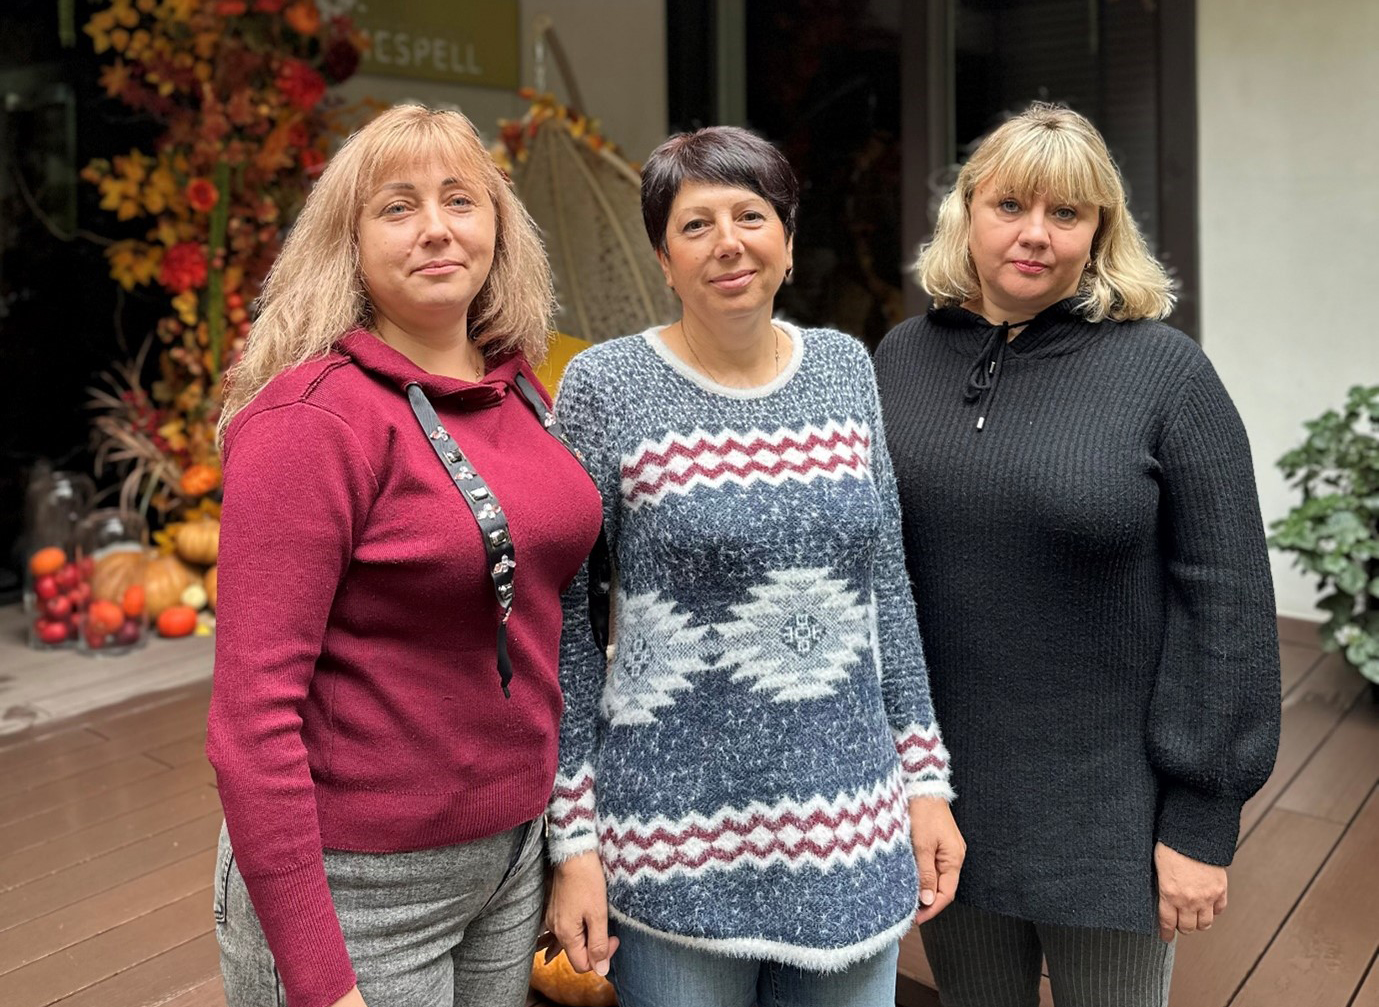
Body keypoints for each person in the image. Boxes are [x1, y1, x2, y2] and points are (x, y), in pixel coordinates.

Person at [543, 125, 964, 1007]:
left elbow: (886, 586)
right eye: (694, 225)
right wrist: (571, 839)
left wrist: (924, 782)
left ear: (786, 238)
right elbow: (563, 622)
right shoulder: (604, 386)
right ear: (663, 257)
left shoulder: (846, 369)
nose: (727, 242)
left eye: (750, 215)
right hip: (668, 837)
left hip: (850, 830)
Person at [872, 103, 1281, 1007]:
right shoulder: (900, 360)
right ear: (966, 210)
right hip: (944, 800)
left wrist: (1202, 821)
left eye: (1066, 213)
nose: (1033, 235)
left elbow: (1231, 608)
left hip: (1109, 816)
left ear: (1100, 232)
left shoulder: (1166, 375)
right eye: (1010, 204)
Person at [206, 104, 604, 1007]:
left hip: (508, 862)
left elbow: (551, 625)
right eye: (397, 207)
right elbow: (248, 724)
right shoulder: (311, 422)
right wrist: (315, 974)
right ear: (348, 242)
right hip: (359, 889)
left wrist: (565, 846)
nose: (435, 228)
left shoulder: (517, 389)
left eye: (460, 199)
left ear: (497, 227)